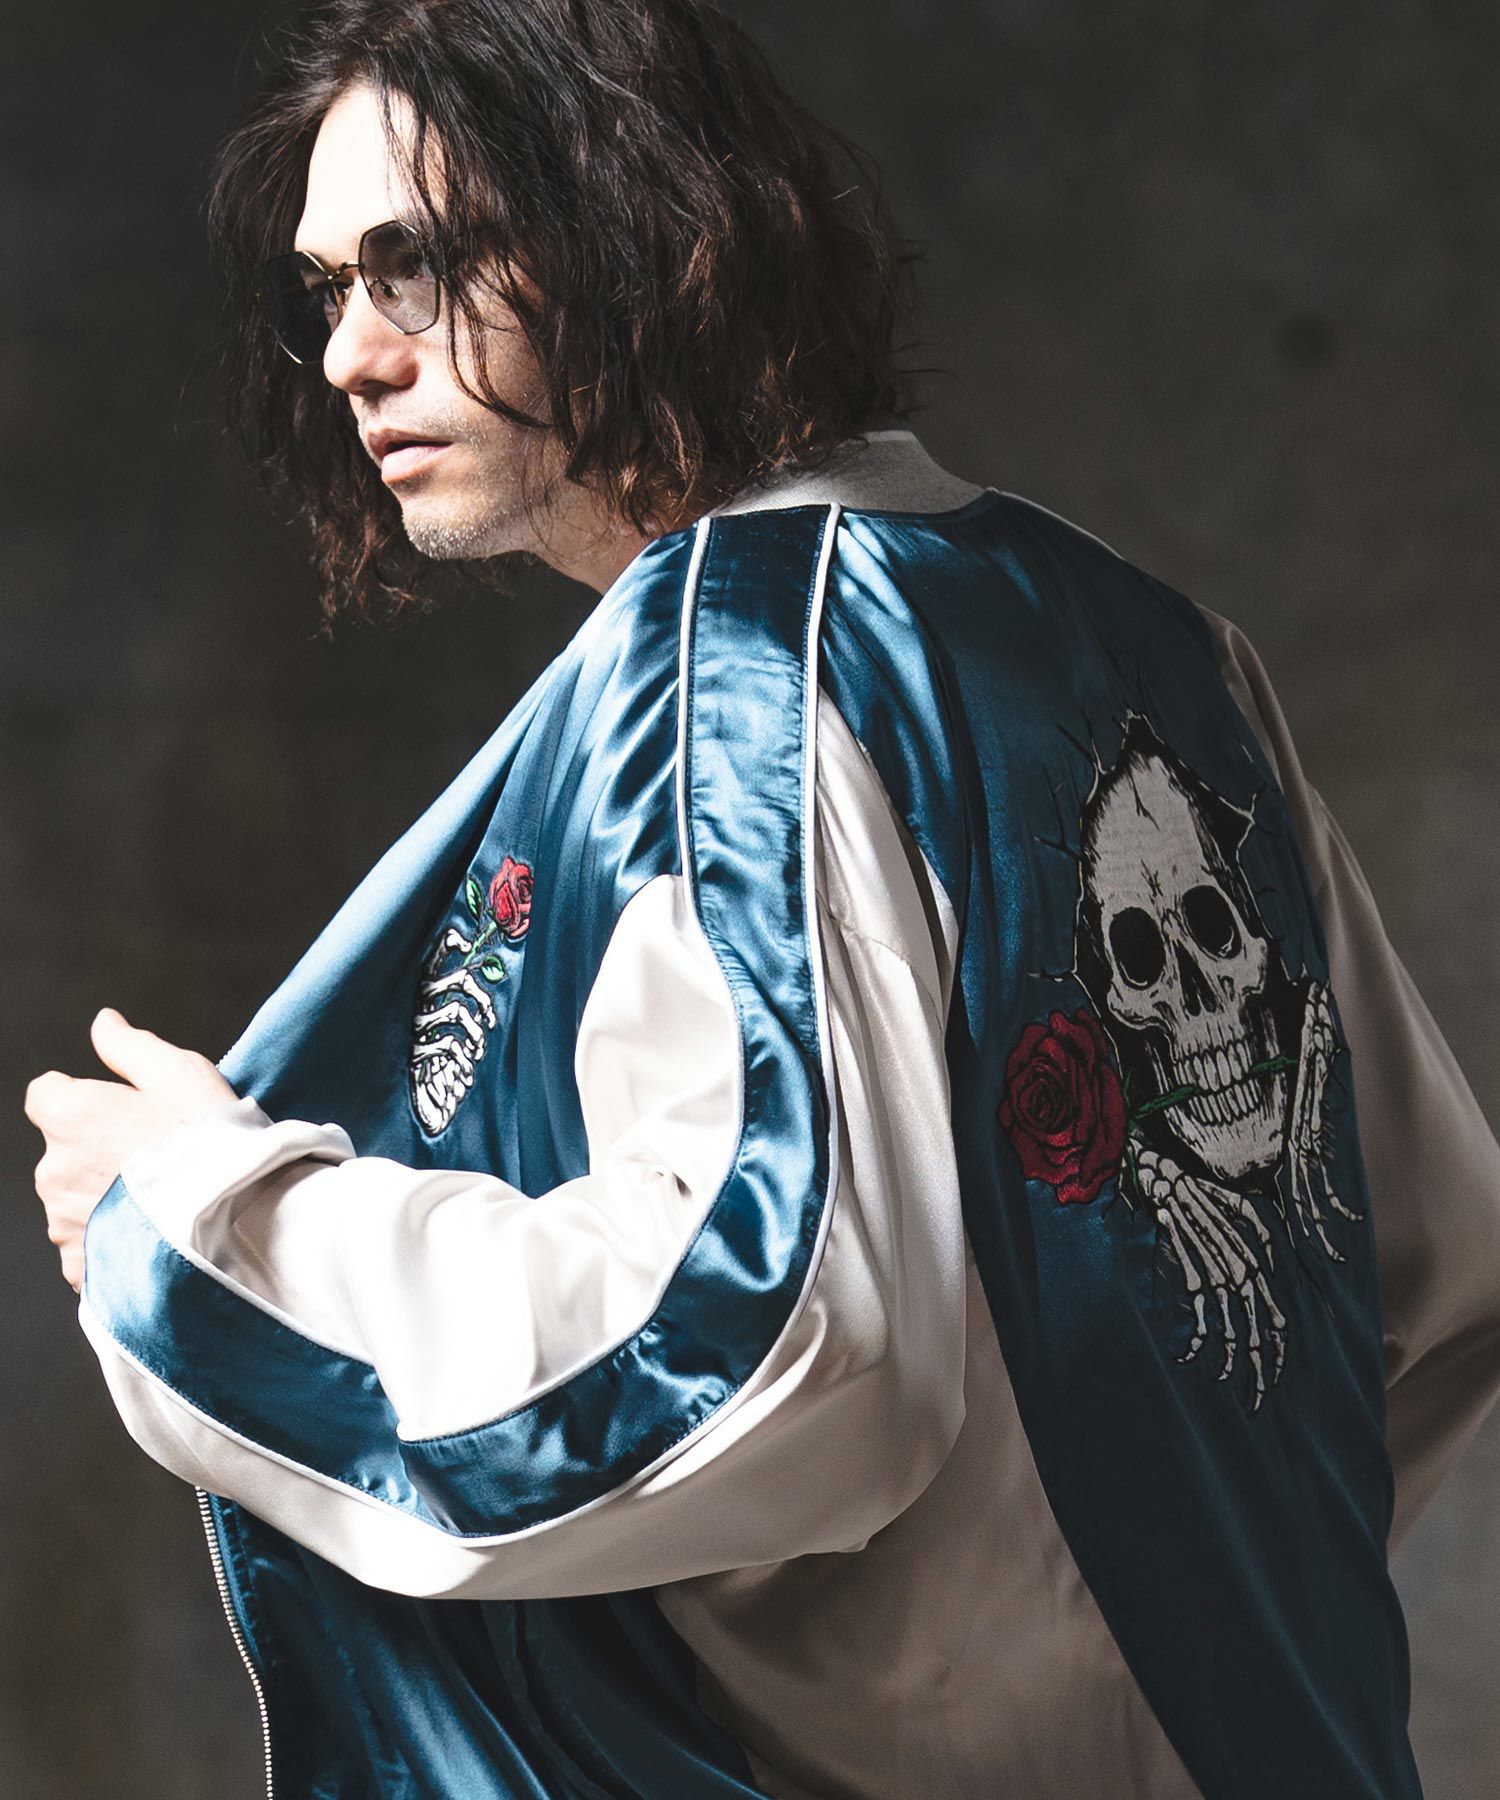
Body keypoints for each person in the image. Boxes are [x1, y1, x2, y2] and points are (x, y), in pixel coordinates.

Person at [24, 2, 1500, 1795]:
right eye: (326, 288)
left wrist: (205, 1219)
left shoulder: (735, 664)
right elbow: (1418, 1271)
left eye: (415, 267)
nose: (349, 353)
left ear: (640, 228)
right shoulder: (1154, 640)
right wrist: (1132, 1620)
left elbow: (755, 1338)